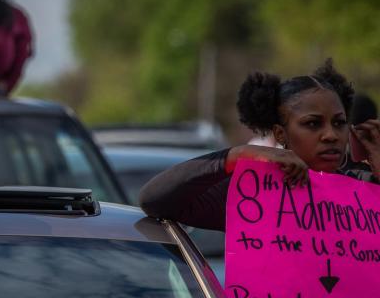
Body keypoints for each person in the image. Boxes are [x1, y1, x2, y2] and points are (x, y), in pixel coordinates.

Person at [139, 60, 380, 231]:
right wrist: (235, 156)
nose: (331, 135)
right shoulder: (252, 194)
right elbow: (154, 200)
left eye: (339, 123)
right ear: (280, 133)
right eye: (313, 124)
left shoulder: (363, 187)